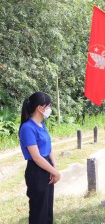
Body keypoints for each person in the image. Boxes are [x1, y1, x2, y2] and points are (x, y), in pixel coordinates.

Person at [19, 92, 61, 224]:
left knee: (47, 209)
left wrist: (54, 167)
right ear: (40, 108)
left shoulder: (42, 125)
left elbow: (48, 147)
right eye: (48, 106)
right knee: (39, 212)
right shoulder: (27, 128)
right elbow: (36, 157)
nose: (50, 109)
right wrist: (55, 172)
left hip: (47, 167)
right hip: (36, 171)